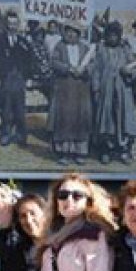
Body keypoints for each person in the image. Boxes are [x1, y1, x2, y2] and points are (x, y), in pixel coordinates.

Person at [90, 21, 136, 165]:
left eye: (115, 35)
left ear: (119, 36)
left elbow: (135, 67)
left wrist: (130, 72)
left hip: (123, 91)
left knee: (122, 119)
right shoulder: (101, 50)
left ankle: (123, 150)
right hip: (106, 91)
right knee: (106, 120)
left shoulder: (125, 50)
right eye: (110, 35)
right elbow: (96, 71)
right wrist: (96, 88)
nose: (112, 38)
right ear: (106, 36)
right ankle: (106, 150)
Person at [49, 24, 94, 165]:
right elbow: (54, 62)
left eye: (74, 32)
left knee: (81, 119)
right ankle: (64, 153)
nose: (71, 35)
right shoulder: (59, 47)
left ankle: (79, 153)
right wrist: (69, 69)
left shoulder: (85, 48)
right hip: (64, 88)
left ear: (78, 34)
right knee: (65, 119)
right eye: (68, 32)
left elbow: (92, 64)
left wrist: (84, 70)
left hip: (81, 89)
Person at [0, 11, 32, 147]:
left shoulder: (23, 41)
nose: (12, 26)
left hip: (19, 78)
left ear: (18, 24)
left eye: (15, 24)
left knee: (20, 109)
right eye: (10, 24)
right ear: (6, 24)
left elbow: (29, 61)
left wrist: (28, 77)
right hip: (5, 78)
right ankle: (5, 134)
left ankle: (21, 135)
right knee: (6, 108)